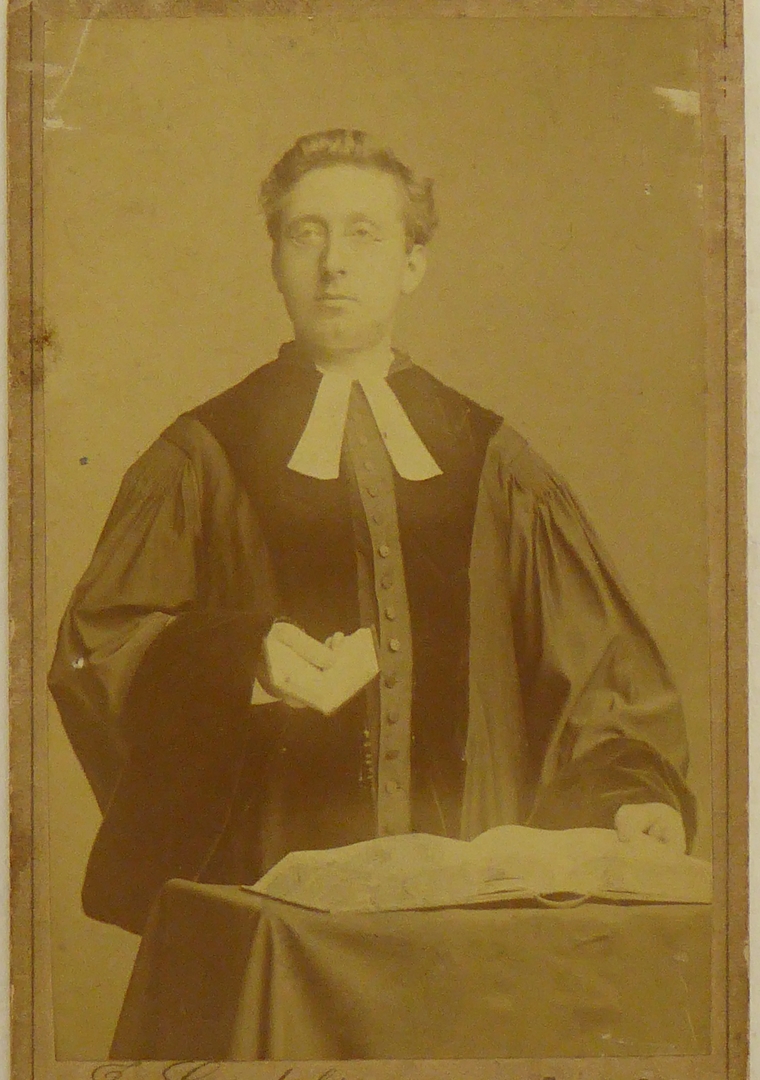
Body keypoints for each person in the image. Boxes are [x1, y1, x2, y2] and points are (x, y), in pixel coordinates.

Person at [49, 129, 696, 936]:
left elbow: (603, 670)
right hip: (266, 899)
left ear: (412, 264)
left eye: (364, 234)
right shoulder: (202, 454)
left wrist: (630, 795)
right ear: (274, 261)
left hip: (469, 909)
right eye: (306, 234)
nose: (334, 264)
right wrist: (240, 656)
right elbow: (100, 649)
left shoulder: (494, 459)